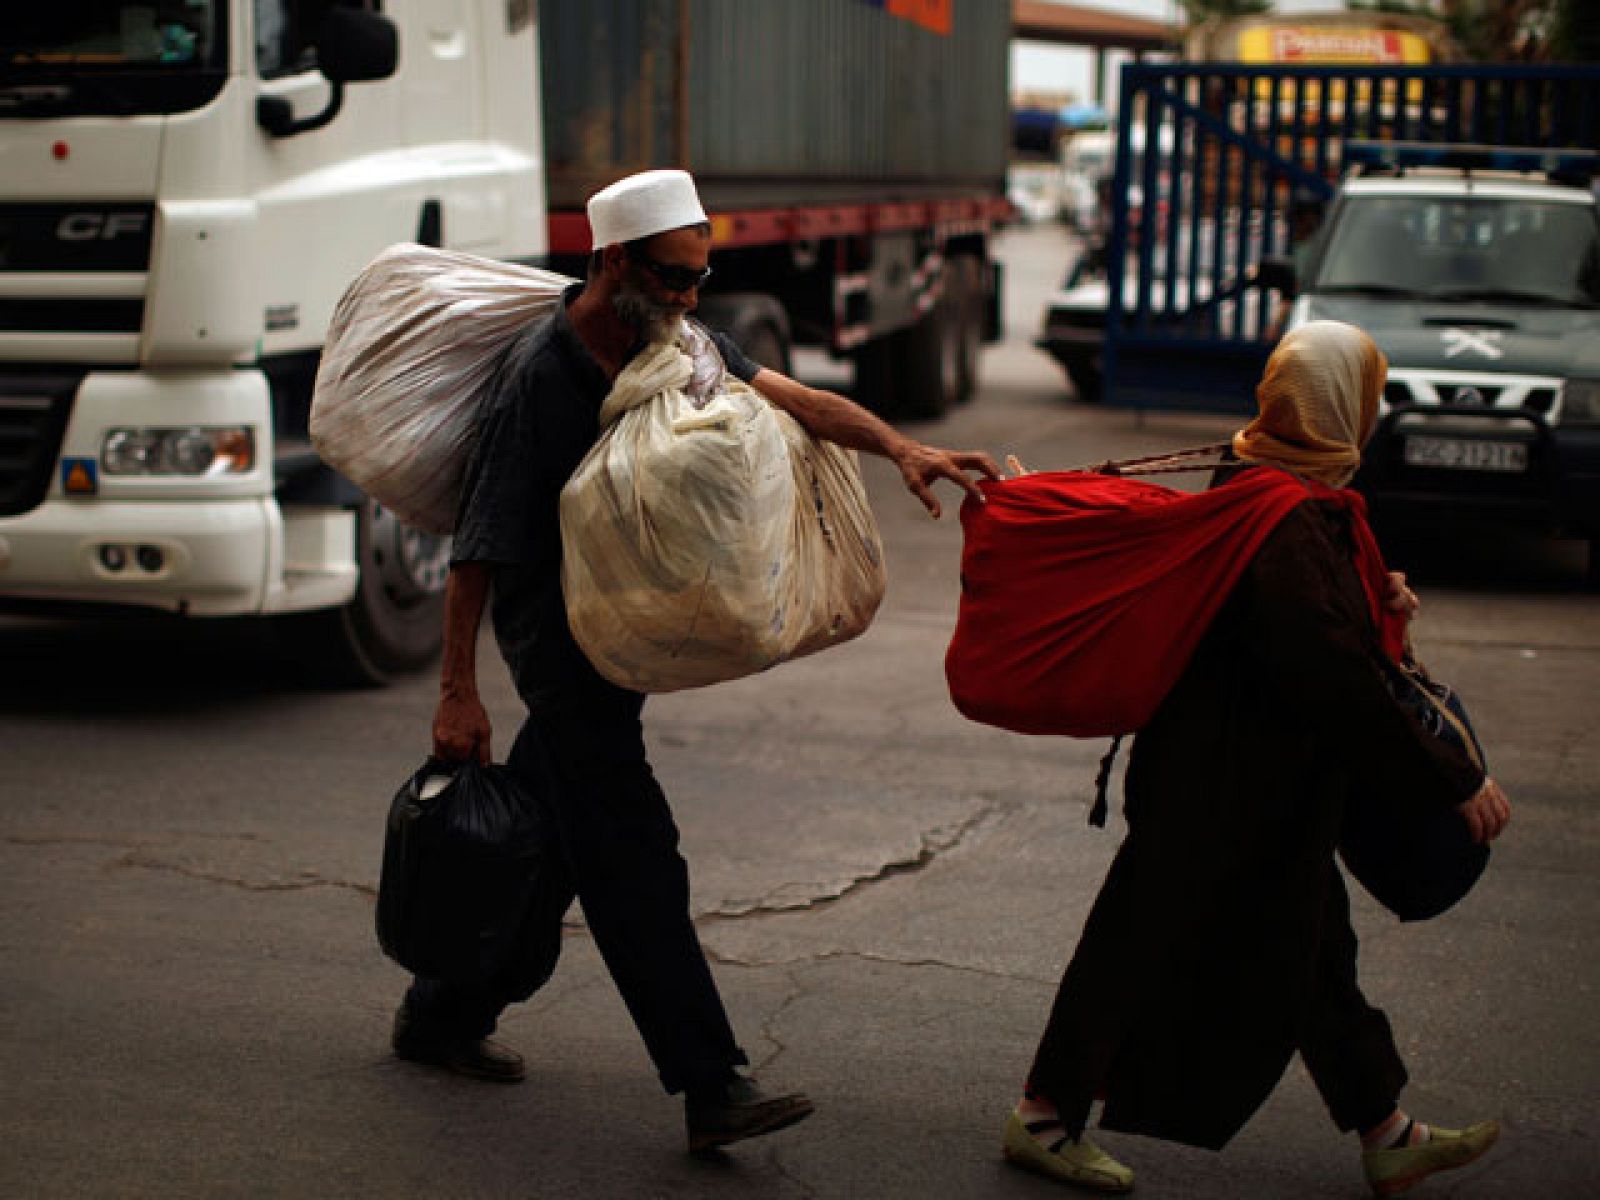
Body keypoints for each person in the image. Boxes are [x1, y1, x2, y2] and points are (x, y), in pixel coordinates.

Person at [391, 168, 1002, 1155]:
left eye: (698, 279)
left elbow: (793, 397)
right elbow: (478, 544)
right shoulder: (542, 373)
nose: (688, 297)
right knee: (635, 856)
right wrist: (458, 691)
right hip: (559, 642)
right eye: (672, 278)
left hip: (620, 629)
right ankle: (710, 1081)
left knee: (551, 845)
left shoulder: (669, 339)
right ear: (612, 260)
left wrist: (898, 447)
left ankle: (443, 1014)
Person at [1001, 321, 1511, 1197]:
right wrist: (1453, 775)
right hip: (1221, 785)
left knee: (1315, 951)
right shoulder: (1287, 514)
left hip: (1250, 780)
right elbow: (1333, 674)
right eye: (1364, 394)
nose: (1374, 412)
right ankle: (1043, 1117)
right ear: (1335, 406)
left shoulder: (1261, 472)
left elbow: (1311, 631)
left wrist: (1380, 601)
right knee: (1140, 938)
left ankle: (1386, 1130)